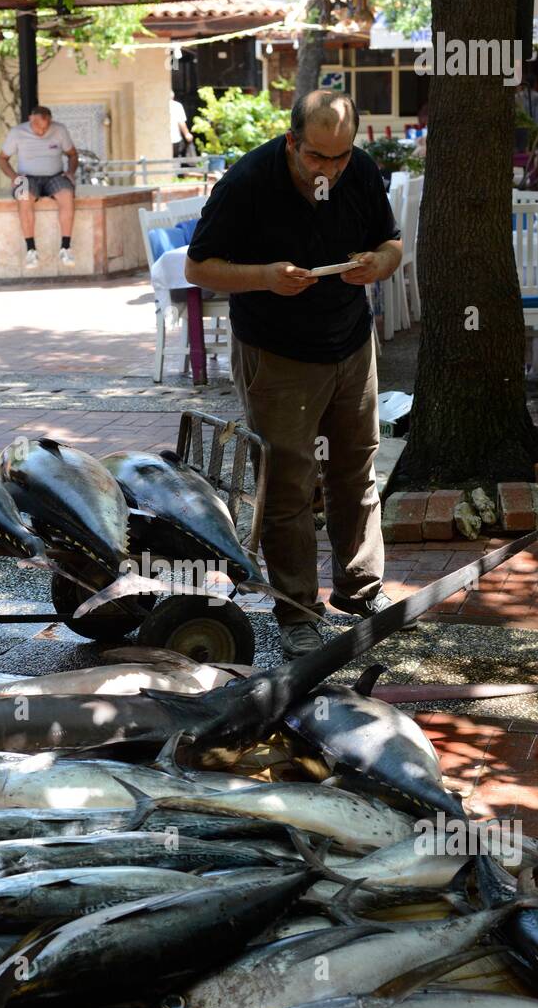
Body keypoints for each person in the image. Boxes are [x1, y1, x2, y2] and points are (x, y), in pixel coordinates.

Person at [185, 90, 403, 659]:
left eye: (340, 156)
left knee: (356, 468)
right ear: (291, 142)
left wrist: (380, 263)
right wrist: (264, 277)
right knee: (287, 484)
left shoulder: (361, 172)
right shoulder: (248, 181)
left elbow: (390, 241)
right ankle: (297, 610)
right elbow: (198, 265)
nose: (328, 169)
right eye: (316, 158)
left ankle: (360, 589)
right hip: (277, 351)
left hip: (351, 342)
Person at [0, 105, 78, 268]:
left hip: (55, 175)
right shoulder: (17, 132)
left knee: (67, 194)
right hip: (26, 176)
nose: (42, 132)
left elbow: (73, 154)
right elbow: (2, 159)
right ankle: (31, 250)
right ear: (30, 119)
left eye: (46, 127)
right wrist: (14, 177)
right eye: (38, 127)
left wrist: (70, 171)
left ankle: (65, 247)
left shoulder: (60, 130)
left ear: (50, 121)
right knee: (23, 196)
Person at [170, 94, 193, 159]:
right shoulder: (176, 105)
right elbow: (181, 122)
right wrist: (187, 134)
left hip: (162, 140)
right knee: (175, 159)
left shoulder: (158, 105)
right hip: (174, 139)